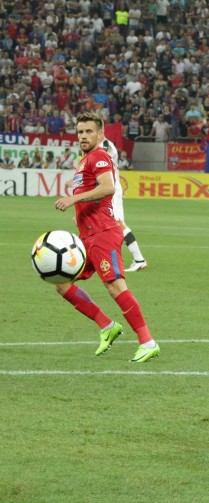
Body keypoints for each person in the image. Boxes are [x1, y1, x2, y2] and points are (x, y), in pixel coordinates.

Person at [53, 113, 160, 363]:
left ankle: (147, 342)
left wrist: (73, 199)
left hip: (103, 234)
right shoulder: (84, 160)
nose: (83, 136)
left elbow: (108, 187)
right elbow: (92, 193)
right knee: (61, 282)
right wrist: (79, 216)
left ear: (100, 134)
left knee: (115, 287)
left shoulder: (99, 156)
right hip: (87, 235)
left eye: (89, 131)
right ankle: (106, 325)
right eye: (80, 132)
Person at [99, 137, 148, 272]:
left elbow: (102, 163)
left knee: (118, 223)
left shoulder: (105, 144)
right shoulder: (101, 145)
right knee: (105, 224)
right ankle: (101, 257)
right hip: (107, 190)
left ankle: (139, 259)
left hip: (111, 190)